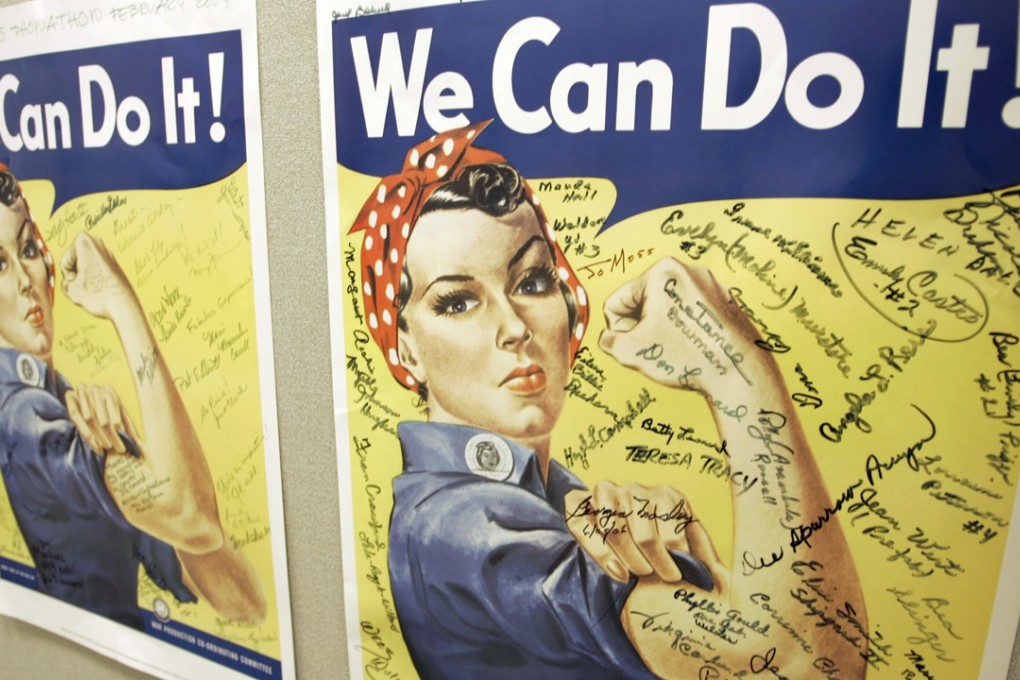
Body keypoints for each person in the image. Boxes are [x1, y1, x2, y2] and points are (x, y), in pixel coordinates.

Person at [351, 122, 867, 679]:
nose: (513, 327)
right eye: (456, 302)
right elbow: (801, 663)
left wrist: (679, 561)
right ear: (405, 350)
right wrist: (737, 369)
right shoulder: (465, 526)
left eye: (531, 282)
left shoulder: (545, 495)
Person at [0, 163, 265, 629]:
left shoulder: (60, 403)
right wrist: (123, 306)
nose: (25, 278)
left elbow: (244, 602)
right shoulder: (23, 415)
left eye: (26, 249)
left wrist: (135, 449)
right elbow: (191, 515)